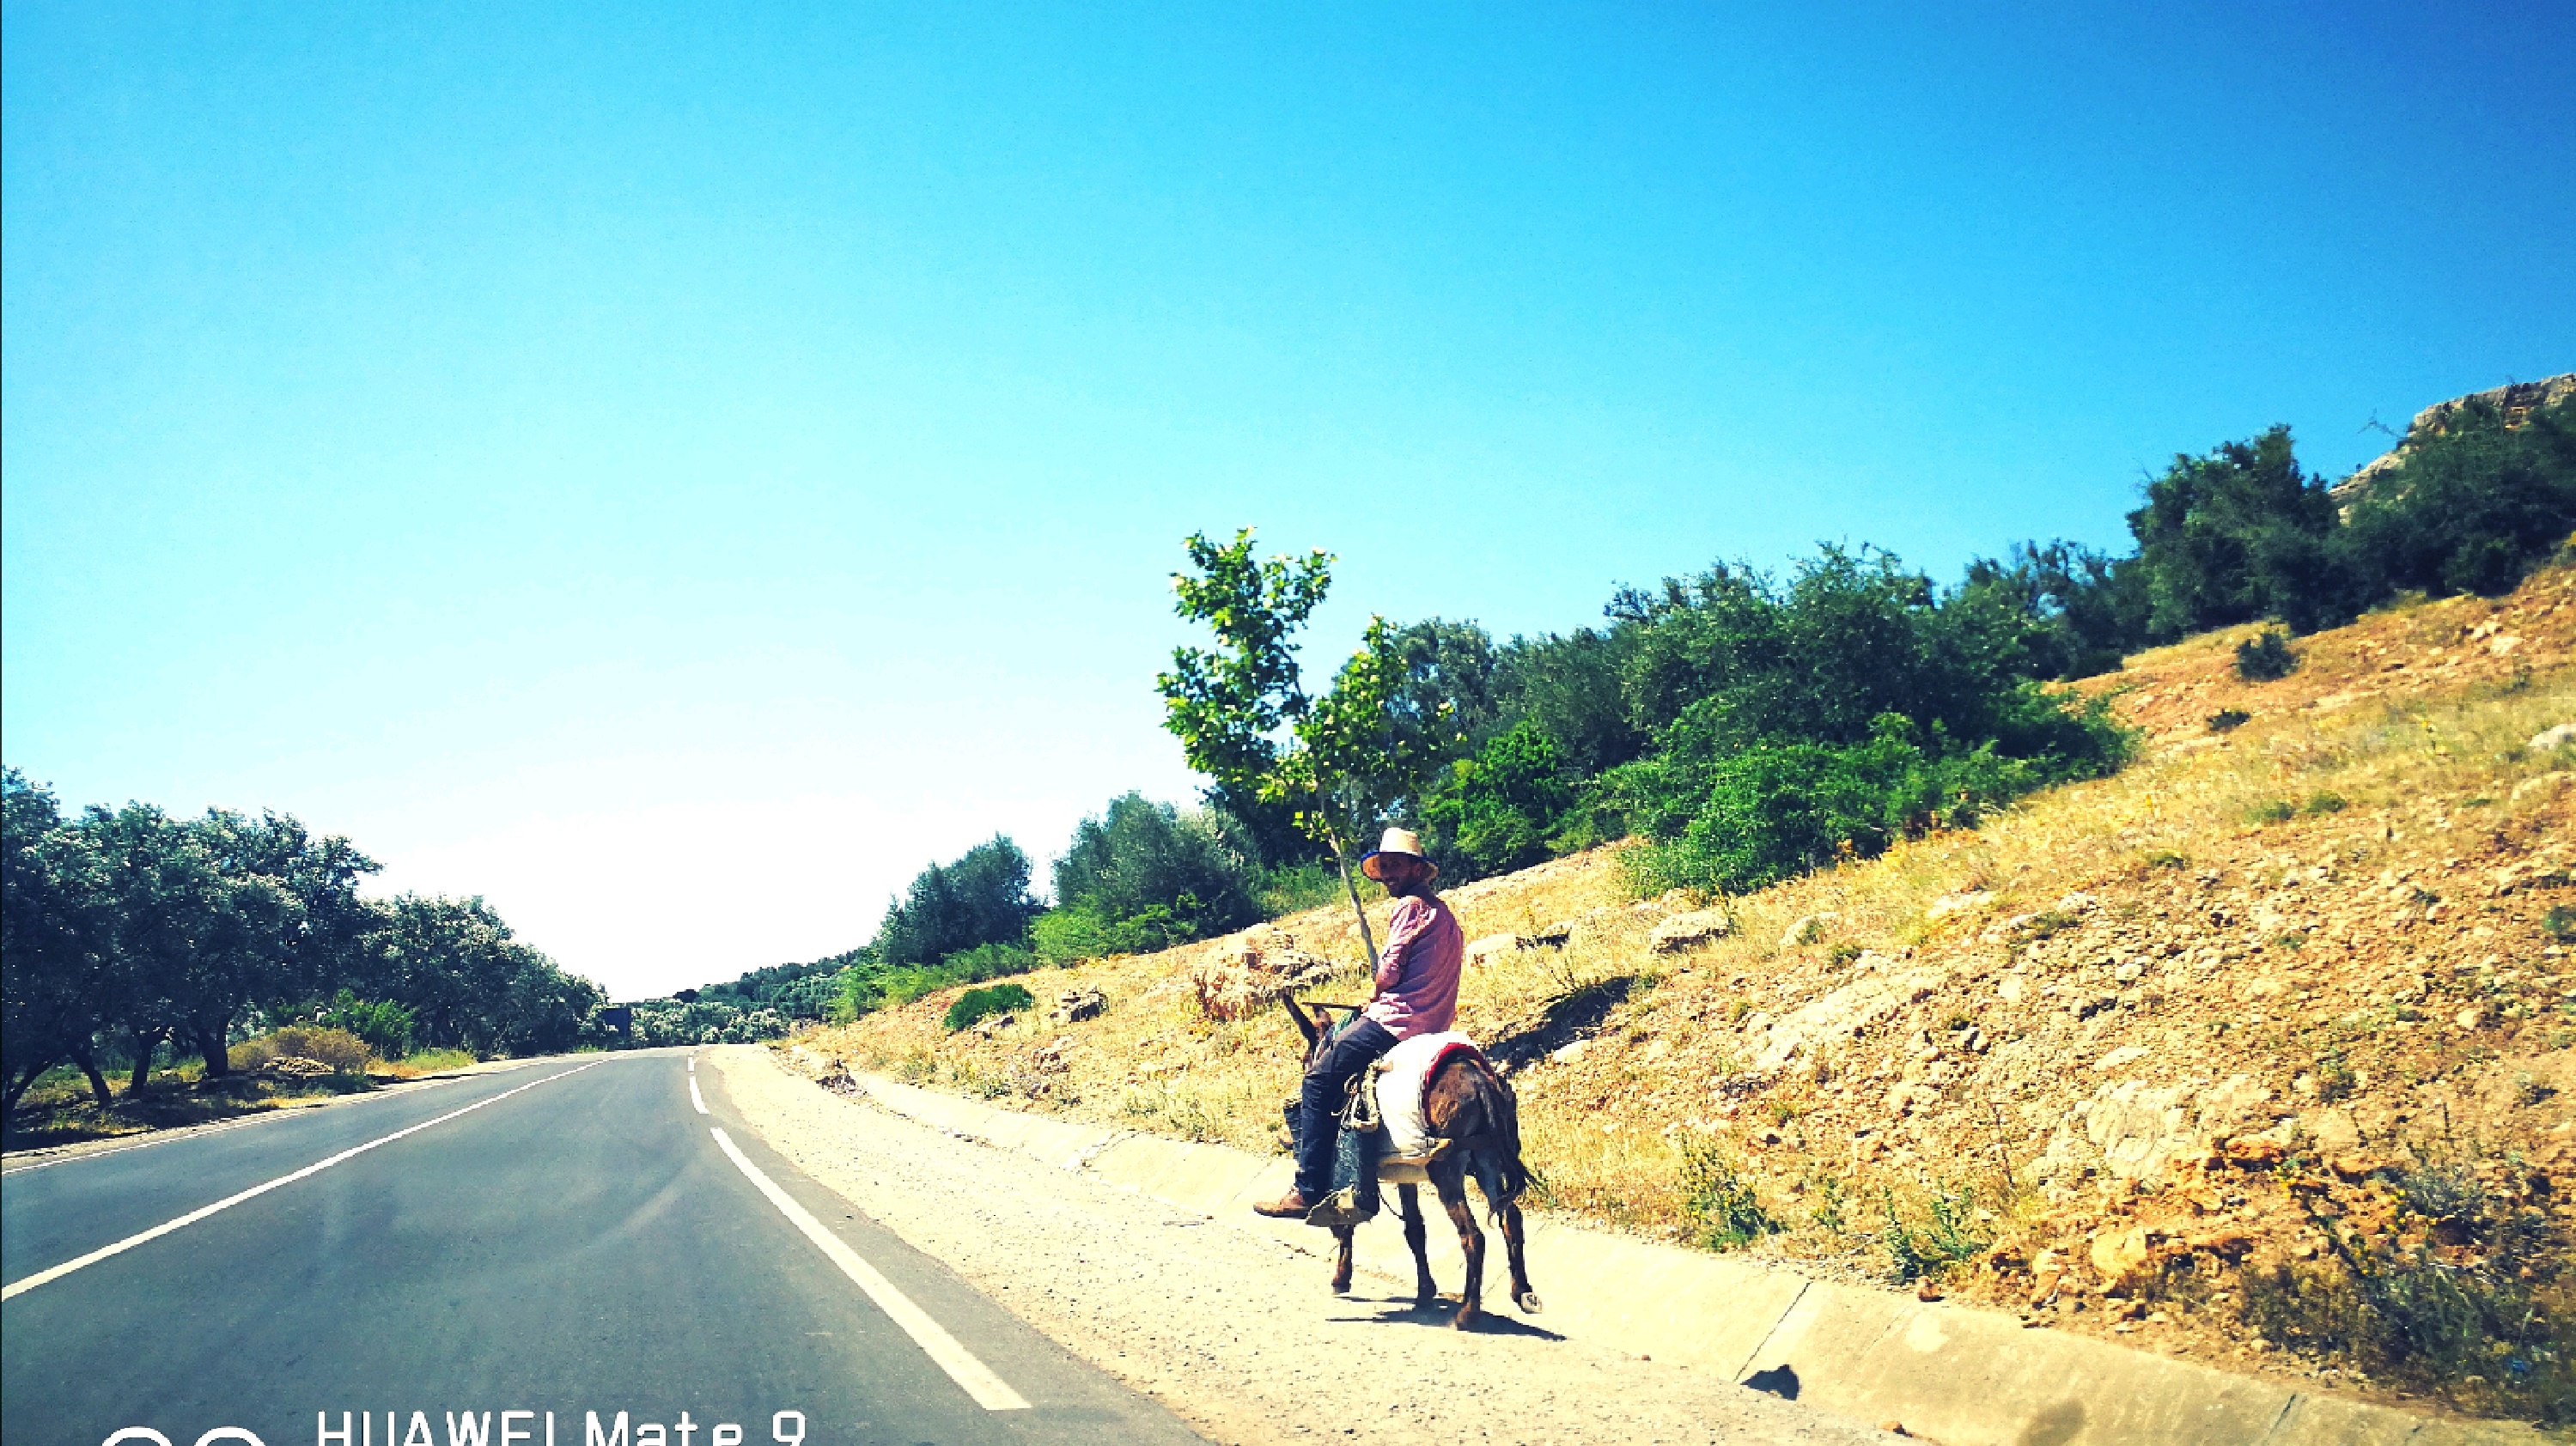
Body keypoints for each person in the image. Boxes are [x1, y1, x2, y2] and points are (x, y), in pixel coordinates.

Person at [1253, 827, 1465, 1221]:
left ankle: (1308, 1188)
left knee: (1317, 1081)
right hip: (1436, 1024)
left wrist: (1376, 989)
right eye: (1384, 867)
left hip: (1398, 1021)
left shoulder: (1409, 907)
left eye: (1396, 866)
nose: (1388, 875)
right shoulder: (1445, 915)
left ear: (1417, 869)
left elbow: (1391, 969)